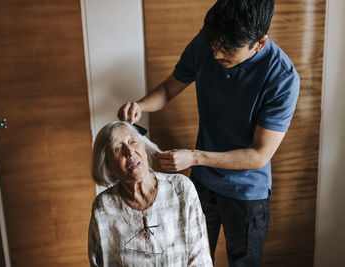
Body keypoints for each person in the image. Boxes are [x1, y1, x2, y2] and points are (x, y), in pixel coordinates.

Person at [117, 0, 300, 266]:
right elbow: (169, 89)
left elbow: (259, 155)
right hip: (201, 183)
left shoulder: (282, 77)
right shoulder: (207, 43)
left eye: (227, 50)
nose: (216, 55)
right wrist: (141, 106)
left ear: (259, 43)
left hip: (248, 190)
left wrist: (194, 157)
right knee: (193, 257)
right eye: (214, 45)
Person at [88, 121, 213, 266]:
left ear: (144, 150)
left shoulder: (180, 188)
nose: (130, 152)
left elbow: (200, 259)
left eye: (133, 142)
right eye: (118, 148)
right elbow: (98, 262)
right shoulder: (103, 207)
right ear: (108, 166)